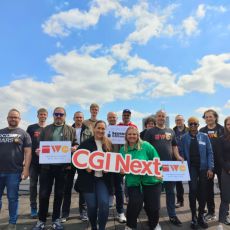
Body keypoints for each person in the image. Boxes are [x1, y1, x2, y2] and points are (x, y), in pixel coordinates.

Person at [32, 107, 77, 230]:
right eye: (56, 114)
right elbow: (40, 146)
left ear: (65, 116)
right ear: (53, 115)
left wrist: (75, 148)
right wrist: (38, 151)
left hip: (63, 168)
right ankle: (41, 220)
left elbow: (75, 143)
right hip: (47, 168)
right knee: (43, 194)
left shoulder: (71, 129)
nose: (58, 116)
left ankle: (56, 220)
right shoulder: (46, 129)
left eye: (61, 114)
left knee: (59, 194)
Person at [144, 110, 183, 226]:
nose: (161, 118)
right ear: (156, 118)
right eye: (159, 116)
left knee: (171, 192)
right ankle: (152, 217)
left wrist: (178, 156)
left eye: (163, 116)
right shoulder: (150, 132)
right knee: (154, 194)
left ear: (165, 118)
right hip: (155, 167)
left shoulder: (171, 131)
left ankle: (172, 215)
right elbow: (145, 148)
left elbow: (174, 145)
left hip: (169, 167)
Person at [120, 126, 162, 230]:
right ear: (126, 136)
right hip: (134, 183)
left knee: (153, 207)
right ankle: (130, 226)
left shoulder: (146, 146)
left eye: (134, 134)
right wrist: (121, 172)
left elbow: (157, 160)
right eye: (129, 134)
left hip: (152, 181)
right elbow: (120, 168)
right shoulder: (123, 149)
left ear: (138, 135)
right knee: (134, 205)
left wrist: (159, 172)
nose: (132, 136)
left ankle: (154, 224)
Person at [75, 120, 113, 230]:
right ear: (94, 129)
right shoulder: (85, 144)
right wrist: (85, 167)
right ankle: (93, 227)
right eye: (99, 128)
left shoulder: (108, 144)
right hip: (88, 180)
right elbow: (76, 160)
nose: (101, 130)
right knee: (91, 207)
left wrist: (108, 169)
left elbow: (112, 161)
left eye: (103, 129)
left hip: (102, 179)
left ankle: (101, 228)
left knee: (104, 204)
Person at [0, 108, 32, 230]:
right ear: (7, 118)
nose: (13, 119)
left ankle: (12, 222)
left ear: (19, 119)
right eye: (11, 117)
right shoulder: (1, 132)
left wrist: (26, 169)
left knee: (12, 198)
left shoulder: (24, 134)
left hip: (14, 172)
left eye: (16, 117)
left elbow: (28, 153)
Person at [180, 117, 214, 229]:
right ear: (188, 126)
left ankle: (200, 216)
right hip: (191, 168)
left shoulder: (204, 137)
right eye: (191, 124)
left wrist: (210, 168)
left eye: (195, 124)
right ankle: (193, 217)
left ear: (198, 125)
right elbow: (180, 152)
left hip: (203, 168)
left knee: (203, 192)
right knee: (193, 190)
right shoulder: (184, 138)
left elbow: (210, 152)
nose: (193, 126)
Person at [61, 111, 93, 223]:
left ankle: (83, 213)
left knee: (83, 187)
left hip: (83, 162)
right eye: (77, 117)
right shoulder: (68, 129)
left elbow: (91, 145)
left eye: (81, 117)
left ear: (83, 119)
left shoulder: (88, 130)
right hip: (69, 161)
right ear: (74, 118)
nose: (79, 119)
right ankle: (65, 213)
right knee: (67, 188)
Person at [200, 109, 224, 221]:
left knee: (224, 189)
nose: (208, 118)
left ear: (215, 117)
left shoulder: (222, 130)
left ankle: (225, 213)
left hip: (221, 164)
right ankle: (211, 212)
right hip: (208, 164)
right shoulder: (202, 131)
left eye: (210, 116)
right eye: (206, 117)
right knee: (208, 189)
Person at [26, 108, 48, 218]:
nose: (42, 116)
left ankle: (43, 209)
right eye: (41, 114)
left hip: (45, 163)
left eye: (44, 114)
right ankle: (33, 208)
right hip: (33, 163)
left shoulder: (50, 128)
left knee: (44, 187)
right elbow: (26, 144)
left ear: (47, 116)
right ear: (37, 115)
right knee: (33, 186)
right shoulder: (31, 128)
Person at [107, 112, 126, 223]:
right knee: (107, 187)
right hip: (106, 163)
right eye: (110, 117)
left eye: (114, 117)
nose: (112, 119)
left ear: (117, 118)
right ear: (107, 118)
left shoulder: (122, 130)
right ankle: (105, 211)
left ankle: (120, 212)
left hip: (119, 163)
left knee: (119, 188)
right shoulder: (104, 129)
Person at [173, 115, 188, 208]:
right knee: (178, 181)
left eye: (180, 120)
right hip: (177, 158)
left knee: (194, 181)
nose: (178, 121)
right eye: (177, 120)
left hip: (188, 158)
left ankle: (200, 203)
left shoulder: (189, 130)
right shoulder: (172, 131)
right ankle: (180, 200)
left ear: (184, 120)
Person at [217, 116, 230, 227]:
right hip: (226, 170)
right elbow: (219, 157)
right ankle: (220, 222)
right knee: (225, 197)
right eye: (228, 124)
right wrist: (227, 168)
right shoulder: (221, 138)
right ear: (225, 126)